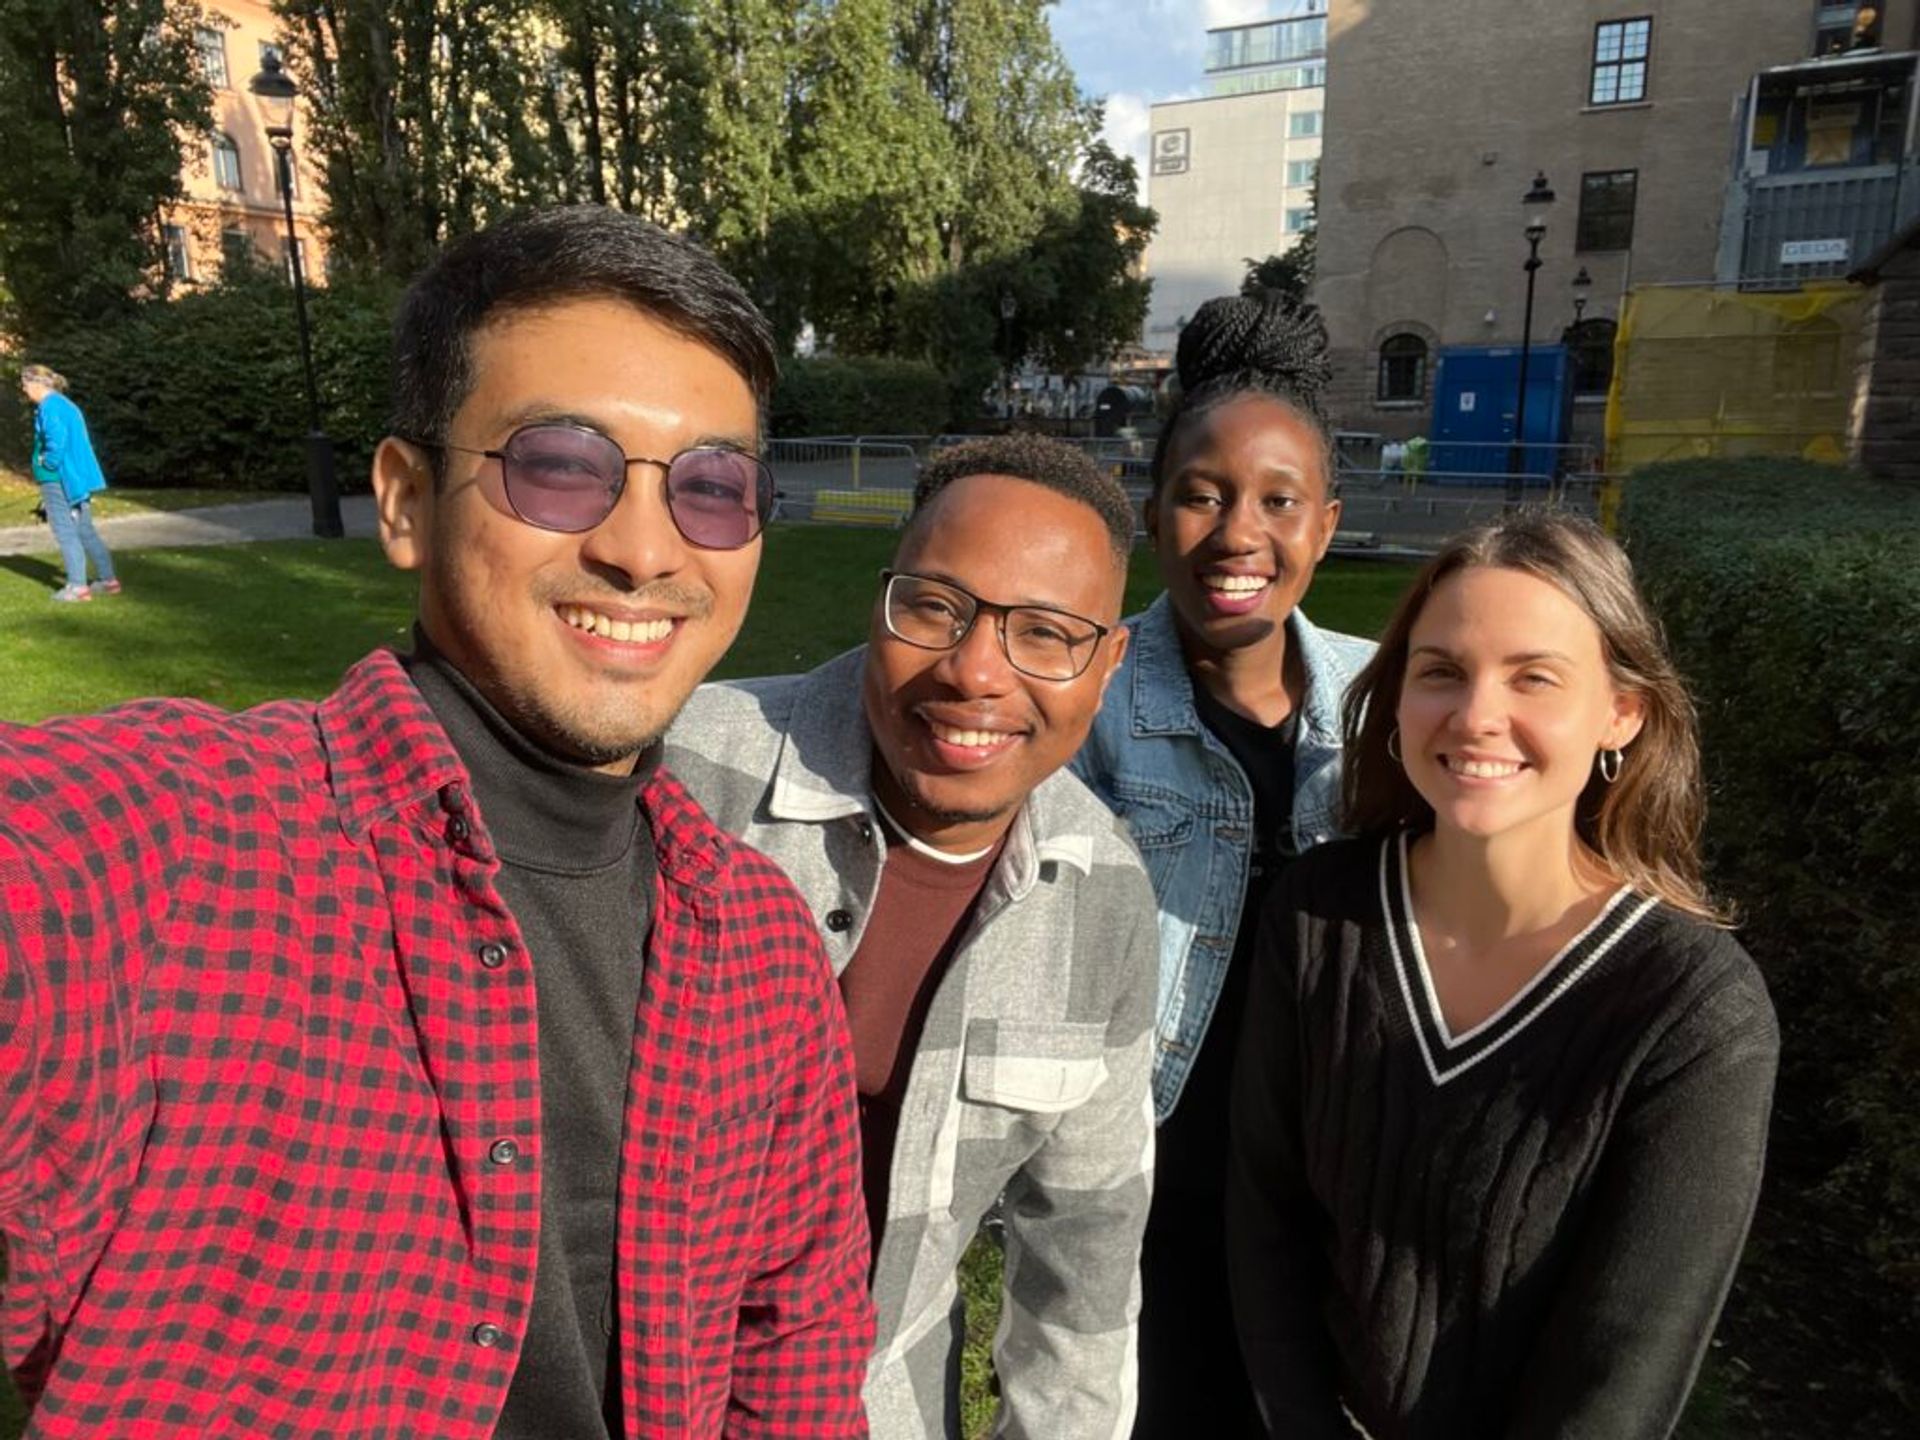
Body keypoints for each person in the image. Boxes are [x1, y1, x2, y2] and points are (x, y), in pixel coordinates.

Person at [0, 206, 871, 1438]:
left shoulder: (762, 952)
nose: (642, 548)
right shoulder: (188, 856)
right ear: (407, 501)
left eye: (713, 489)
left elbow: (796, 1355)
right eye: (561, 464)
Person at [1228, 512, 1779, 1438]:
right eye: (1441, 671)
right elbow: (1265, 1217)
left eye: (1535, 678)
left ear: (1622, 712)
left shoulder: (1694, 1013)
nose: (1478, 714)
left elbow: (1622, 1368)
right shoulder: (1322, 914)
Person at [664, 435, 1160, 1440]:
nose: (976, 671)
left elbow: (1085, 1268)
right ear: (882, 598)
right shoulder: (684, 776)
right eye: (935, 607)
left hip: (881, 1409)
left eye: (1046, 634)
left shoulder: (1104, 895)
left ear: (1106, 665)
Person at [1070, 294, 1373, 1436]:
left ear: (1327, 524)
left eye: (1278, 500)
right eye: (1202, 494)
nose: (1239, 533)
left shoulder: (1388, 702)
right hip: (1150, 1189)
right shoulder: (1089, 700)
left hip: (1328, 1189)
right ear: (1153, 515)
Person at [20, 363, 119, 602]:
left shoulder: (49, 406)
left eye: (24, 385)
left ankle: (77, 587)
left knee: (65, 531)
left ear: (35, 383)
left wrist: (47, 464)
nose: (24, 391)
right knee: (84, 529)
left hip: (59, 478)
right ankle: (108, 580)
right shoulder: (65, 404)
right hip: (76, 479)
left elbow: (57, 441)